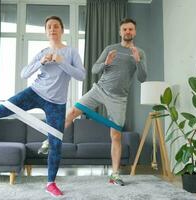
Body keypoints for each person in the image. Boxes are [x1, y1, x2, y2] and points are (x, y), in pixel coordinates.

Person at [0, 16, 86, 197]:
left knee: (55, 143)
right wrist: (41, 62)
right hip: (34, 93)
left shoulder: (71, 53)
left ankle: (50, 183)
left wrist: (61, 61)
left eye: (56, 27)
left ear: (62, 30)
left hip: (57, 103)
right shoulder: (42, 52)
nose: (52, 29)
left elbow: (81, 76)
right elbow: (24, 74)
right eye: (49, 27)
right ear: (46, 32)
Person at [39, 18, 147, 186]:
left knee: (116, 135)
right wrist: (106, 63)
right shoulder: (111, 49)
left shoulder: (139, 52)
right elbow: (94, 69)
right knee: (73, 112)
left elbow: (142, 78)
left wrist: (137, 60)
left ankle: (115, 174)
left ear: (135, 32)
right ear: (120, 32)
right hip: (99, 90)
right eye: (124, 29)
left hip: (119, 98)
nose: (127, 32)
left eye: (130, 29)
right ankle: (48, 140)